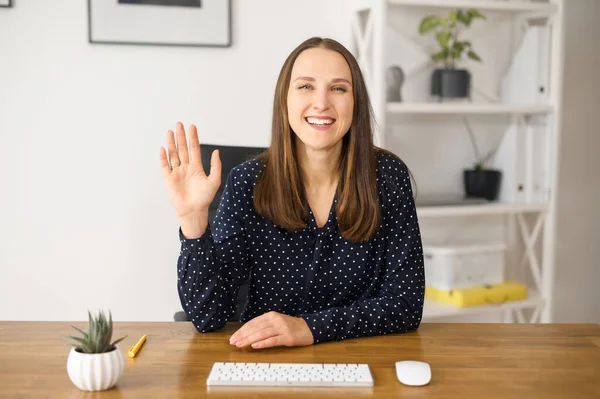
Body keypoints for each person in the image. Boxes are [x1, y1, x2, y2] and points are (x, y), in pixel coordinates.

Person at [159, 37, 425, 349]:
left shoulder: (387, 176)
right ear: (284, 99)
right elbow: (207, 317)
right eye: (306, 86)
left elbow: (405, 304)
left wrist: (309, 328)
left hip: (365, 360)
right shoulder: (247, 182)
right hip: (267, 361)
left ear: (356, 102)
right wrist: (193, 223)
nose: (322, 102)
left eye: (338, 88)